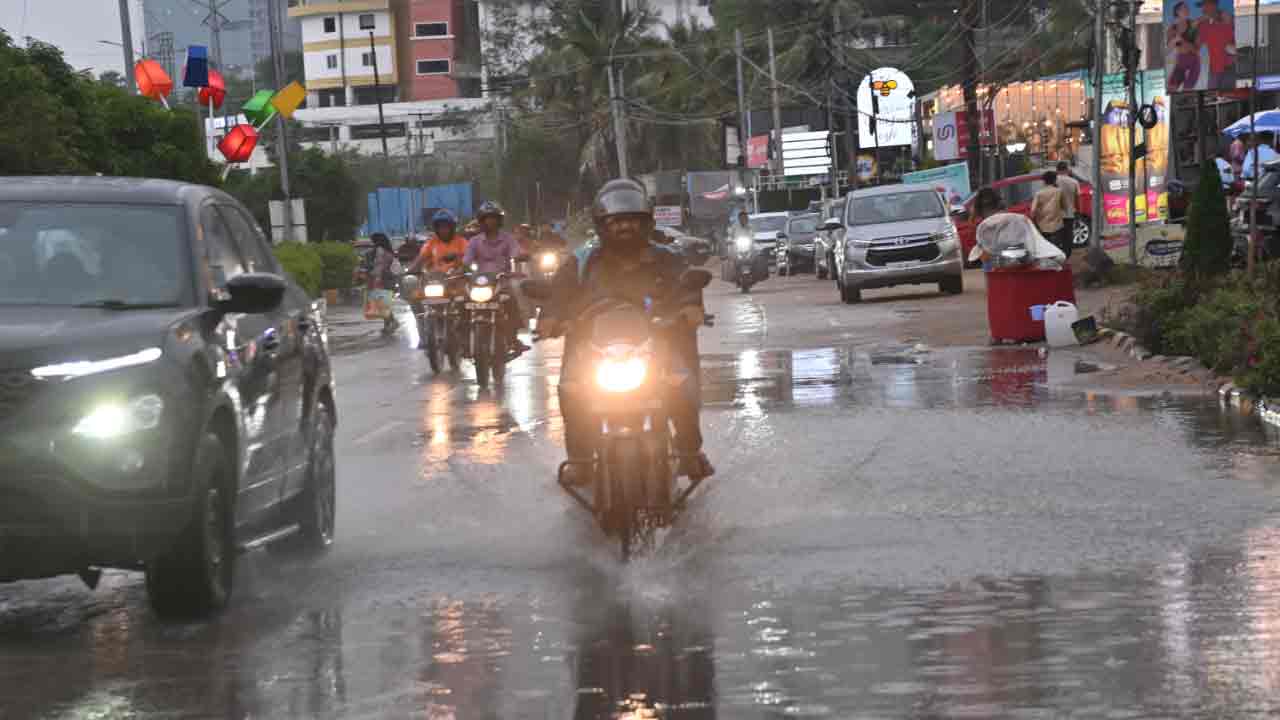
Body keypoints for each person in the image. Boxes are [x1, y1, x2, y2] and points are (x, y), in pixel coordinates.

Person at [538, 178, 714, 486]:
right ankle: (580, 459)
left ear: (646, 223)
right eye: (616, 222)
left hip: (656, 342)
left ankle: (689, 451)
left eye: (632, 220)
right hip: (594, 347)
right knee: (570, 388)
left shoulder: (667, 257)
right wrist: (552, 317)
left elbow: (687, 284)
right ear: (602, 225)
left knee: (682, 382)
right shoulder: (582, 261)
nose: (624, 228)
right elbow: (559, 294)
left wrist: (689, 309)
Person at [464, 201, 530, 355]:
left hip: (502, 282)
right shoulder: (474, 242)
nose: (490, 222)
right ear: (481, 221)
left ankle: (514, 339)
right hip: (479, 283)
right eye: (486, 218)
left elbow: (516, 253)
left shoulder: (508, 239)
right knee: (464, 304)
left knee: (512, 300)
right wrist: (460, 271)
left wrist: (521, 256)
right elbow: (466, 261)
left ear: (499, 220)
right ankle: (464, 340)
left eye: (493, 218)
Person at [407, 209, 469, 275]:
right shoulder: (431, 242)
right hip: (436, 280)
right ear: (436, 229)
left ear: (452, 228)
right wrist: (408, 272)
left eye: (446, 227)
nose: (443, 230)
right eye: (440, 227)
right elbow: (420, 258)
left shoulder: (462, 242)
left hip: (457, 278)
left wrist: (461, 269)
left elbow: (468, 260)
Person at [1029, 171, 1072, 259]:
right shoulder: (1059, 191)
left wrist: (1034, 222)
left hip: (1042, 225)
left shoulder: (1039, 194)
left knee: (1045, 249)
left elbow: (1033, 211)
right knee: (1056, 248)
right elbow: (1065, 207)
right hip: (1057, 225)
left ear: (1044, 181)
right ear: (1055, 180)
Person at [1196, 0, 1236, 89]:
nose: (1203, 9)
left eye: (1205, 5)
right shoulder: (1203, 25)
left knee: (1229, 95)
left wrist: (1235, 49)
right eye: (1202, 6)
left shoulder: (1230, 19)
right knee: (1212, 95)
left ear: (1214, 5)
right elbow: (1196, 46)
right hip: (1215, 70)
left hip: (1231, 67)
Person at [367, 232, 400, 336]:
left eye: (373, 241)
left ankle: (393, 322)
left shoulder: (380, 251)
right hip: (389, 280)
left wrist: (377, 278)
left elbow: (380, 265)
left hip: (382, 279)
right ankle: (387, 326)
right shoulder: (388, 251)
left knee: (382, 305)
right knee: (384, 304)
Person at [1166, 1, 1200, 92]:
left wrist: (1181, 40)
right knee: (1171, 89)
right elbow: (1168, 50)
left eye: (1187, 8)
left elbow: (1196, 49)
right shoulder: (1172, 28)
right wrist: (1174, 41)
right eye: (1184, 8)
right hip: (1181, 61)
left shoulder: (1193, 25)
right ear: (1177, 12)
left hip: (1194, 62)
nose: (1187, 10)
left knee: (1187, 91)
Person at [1055, 161, 1081, 253]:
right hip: (1069, 214)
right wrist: (1078, 213)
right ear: (1067, 169)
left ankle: (1058, 254)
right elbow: (1077, 200)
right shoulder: (1074, 182)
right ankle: (1067, 255)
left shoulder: (1053, 181)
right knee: (1068, 236)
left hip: (1055, 215)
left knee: (1056, 236)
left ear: (1057, 170)